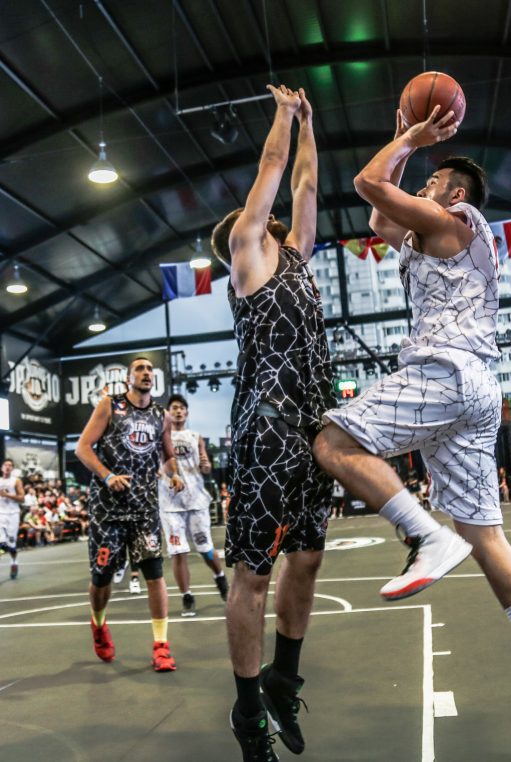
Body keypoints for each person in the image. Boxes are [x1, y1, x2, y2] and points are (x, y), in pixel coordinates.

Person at [312, 106, 511, 737]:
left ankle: (424, 536)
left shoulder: (455, 220)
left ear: (455, 195)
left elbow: (369, 185)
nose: (421, 188)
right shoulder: (432, 236)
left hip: (445, 372)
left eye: (431, 182)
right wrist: (402, 145)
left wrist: (410, 136)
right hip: (475, 389)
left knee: (332, 441)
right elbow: (379, 215)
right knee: (483, 534)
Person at [210, 84, 334, 761]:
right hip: (266, 430)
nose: (275, 212)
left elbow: (306, 183)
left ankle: (284, 679)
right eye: (262, 213)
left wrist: (310, 123)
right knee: (253, 575)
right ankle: (248, 710)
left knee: (307, 558)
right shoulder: (248, 253)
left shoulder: (298, 260)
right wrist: (283, 115)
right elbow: (273, 168)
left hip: (313, 430)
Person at [75, 357, 184, 672]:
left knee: (154, 574)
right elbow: (83, 448)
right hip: (107, 509)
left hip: (144, 508)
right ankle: (98, 624)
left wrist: (174, 474)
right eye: (140, 369)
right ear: (128, 378)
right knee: (101, 578)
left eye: (150, 369)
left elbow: (168, 455)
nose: (146, 373)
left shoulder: (160, 415)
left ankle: (161, 646)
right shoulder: (109, 406)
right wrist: (108, 476)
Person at [159, 393, 228, 616]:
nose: (178, 411)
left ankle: (220, 578)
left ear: (187, 413)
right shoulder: (160, 437)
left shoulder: (195, 437)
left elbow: (205, 466)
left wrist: (206, 466)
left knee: (205, 548)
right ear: (168, 413)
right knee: (178, 551)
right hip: (170, 503)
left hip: (196, 499)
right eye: (174, 407)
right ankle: (186, 596)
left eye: (181, 408)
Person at [0, 459, 24, 579]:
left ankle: (14, 562)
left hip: (13, 514)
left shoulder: (16, 481)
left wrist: (7, 495)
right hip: (0, 514)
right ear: (2, 467)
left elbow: (22, 499)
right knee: (1, 542)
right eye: (6, 465)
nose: (8, 467)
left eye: (10, 465)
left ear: (12, 469)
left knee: (11, 544)